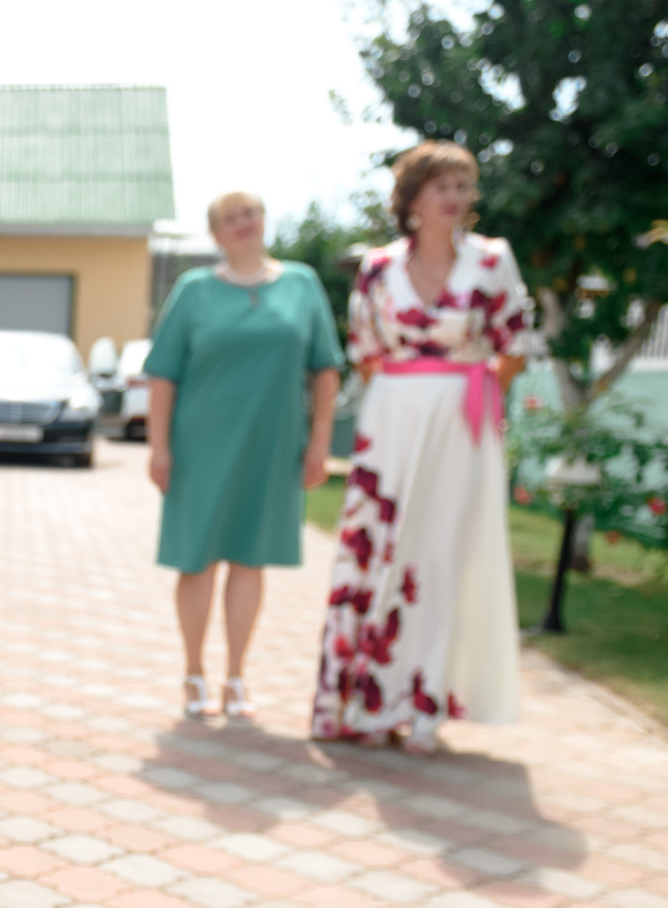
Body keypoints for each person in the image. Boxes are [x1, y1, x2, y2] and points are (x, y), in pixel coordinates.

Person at [311, 139, 533, 751]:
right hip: (393, 418)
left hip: (462, 421)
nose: (456, 199)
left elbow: (514, 346)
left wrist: (464, 392)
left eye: (464, 187)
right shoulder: (378, 267)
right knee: (378, 550)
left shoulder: (492, 261)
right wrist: (410, 399)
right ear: (413, 198)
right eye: (444, 187)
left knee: (440, 554)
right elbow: (364, 352)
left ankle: (426, 706)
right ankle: (364, 702)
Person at [146, 191, 343, 719]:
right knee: (197, 559)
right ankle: (193, 673)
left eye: (250, 214)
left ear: (263, 221)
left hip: (273, 445)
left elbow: (325, 369)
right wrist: (159, 447)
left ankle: (236, 676)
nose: (242, 224)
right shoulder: (193, 292)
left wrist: (319, 442)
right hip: (199, 446)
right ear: (215, 233)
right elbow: (162, 373)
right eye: (229, 219)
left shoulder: (301, 285)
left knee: (250, 559)